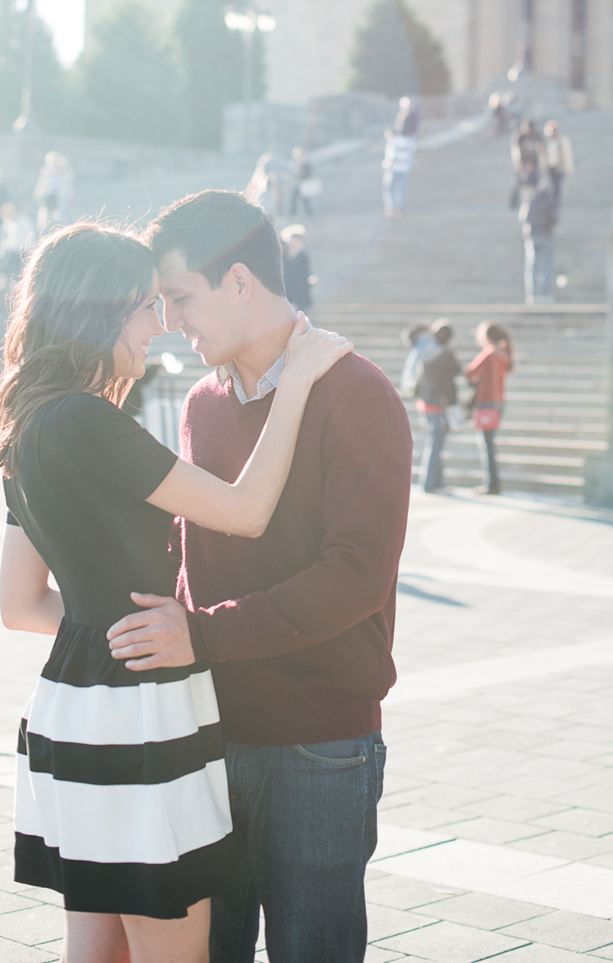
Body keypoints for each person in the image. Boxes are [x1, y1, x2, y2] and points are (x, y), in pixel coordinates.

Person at [0, 220, 351, 959]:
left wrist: (104, 619)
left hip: (69, 711)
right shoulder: (90, 420)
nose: (159, 327)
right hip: (141, 713)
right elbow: (246, 511)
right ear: (99, 309)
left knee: (96, 942)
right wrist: (303, 376)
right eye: (145, 308)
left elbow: (20, 605)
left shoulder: (25, 424)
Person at [103, 190, 408, 963]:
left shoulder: (359, 393)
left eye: (181, 296)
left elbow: (355, 577)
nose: (170, 320)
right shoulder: (202, 404)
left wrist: (199, 634)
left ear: (239, 280)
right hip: (209, 733)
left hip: (319, 743)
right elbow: (190, 552)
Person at [463, 322, 513, 496]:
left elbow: (470, 371)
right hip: (499, 401)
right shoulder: (503, 352)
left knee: (487, 446)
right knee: (490, 444)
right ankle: (493, 483)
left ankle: (491, 484)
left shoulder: (490, 352)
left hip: (486, 401)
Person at [413, 320, 460, 493]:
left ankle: (437, 482)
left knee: (435, 441)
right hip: (438, 403)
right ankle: (429, 483)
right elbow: (456, 370)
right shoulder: (446, 354)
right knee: (435, 443)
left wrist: (422, 328)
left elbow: (409, 336)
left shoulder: (425, 349)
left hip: (425, 400)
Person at [512, 155, 560, 305]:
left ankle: (532, 295)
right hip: (546, 233)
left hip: (533, 234)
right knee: (545, 264)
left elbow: (524, 217)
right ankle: (544, 295)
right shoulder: (549, 198)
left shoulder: (531, 199)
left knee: (532, 265)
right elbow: (554, 216)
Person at [0, 201, 37, 291]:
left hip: (22, 250)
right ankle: (8, 282)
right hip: (12, 250)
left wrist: (30, 250)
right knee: (5, 265)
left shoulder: (24, 221)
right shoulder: (10, 223)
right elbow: (7, 239)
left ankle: (18, 287)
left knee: (16, 269)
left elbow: (29, 237)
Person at [381, 119, 415, 220]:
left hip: (394, 168)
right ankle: (399, 209)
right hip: (404, 168)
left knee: (389, 188)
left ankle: (390, 207)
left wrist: (387, 163)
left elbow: (393, 155)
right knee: (401, 188)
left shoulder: (393, 142)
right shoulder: (408, 141)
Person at [35, 152, 74, 233]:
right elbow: (42, 182)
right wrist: (39, 192)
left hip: (58, 195)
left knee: (59, 213)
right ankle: (44, 229)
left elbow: (68, 184)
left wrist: (70, 194)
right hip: (48, 194)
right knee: (46, 212)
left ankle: (58, 228)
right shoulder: (45, 171)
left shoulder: (63, 171)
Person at [278, 224, 313, 314]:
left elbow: (299, 281)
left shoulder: (302, 258)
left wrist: (294, 300)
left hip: (299, 301)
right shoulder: (293, 257)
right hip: (295, 300)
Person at [243, 154, 279, 219]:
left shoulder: (259, 178)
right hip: (264, 205)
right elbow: (275, 194)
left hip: (263, 205)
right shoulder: (260, 178)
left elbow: (250, 191)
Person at [285, 147, 316, 218]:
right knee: (294, 198)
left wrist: (301, 173)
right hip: (298, 184)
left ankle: (309, 213)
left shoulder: (307, 165)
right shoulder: (298, 164)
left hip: (305, 184)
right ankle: (293, 213)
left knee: (305, 200)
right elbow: (294, 174)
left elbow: (309, 174)